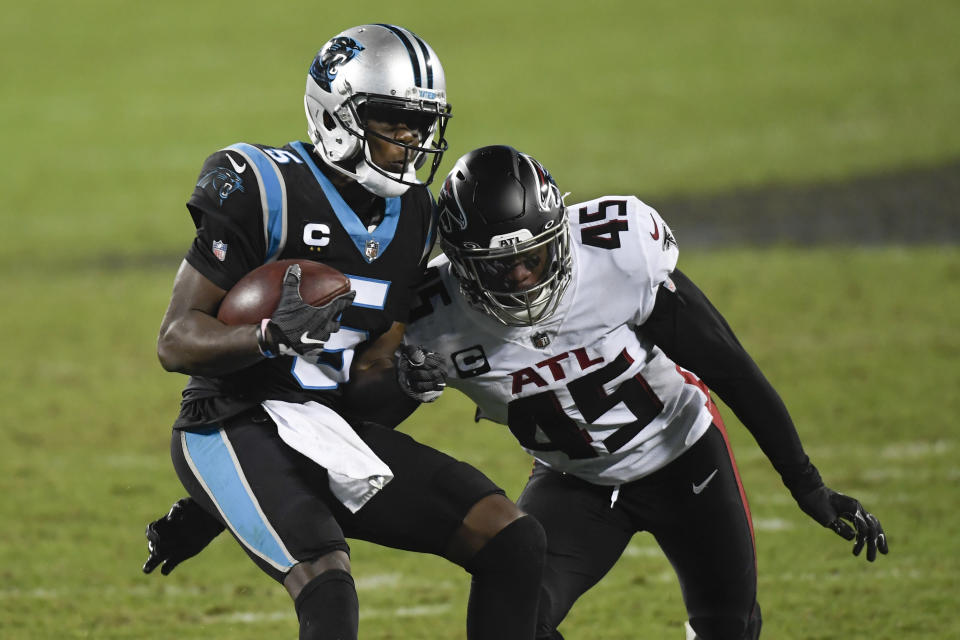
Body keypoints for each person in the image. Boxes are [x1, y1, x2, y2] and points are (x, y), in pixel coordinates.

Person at [146, 143, 889, 638]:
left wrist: (809, 486)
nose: (525, 278)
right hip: (570, 481)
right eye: (503, 268)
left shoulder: (619, 260)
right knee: (517, 604)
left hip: (685, 459)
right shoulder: (433, 318)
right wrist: (209, 504)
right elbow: (328, 425)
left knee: (729, 623)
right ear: (462, 264)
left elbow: (730, 368)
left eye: (536, 258)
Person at [147, 28, 545, 640]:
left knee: (510, 535)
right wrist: (267, 338)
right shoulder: (264, 186)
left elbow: (364, 387)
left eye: (421, 124)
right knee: (328, 586)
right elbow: (175, 341)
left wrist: (404, 384)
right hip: (229, 420)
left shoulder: (415, 216)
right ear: (337, 113)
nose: (410, 141)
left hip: (327, 429)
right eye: (393, 121)